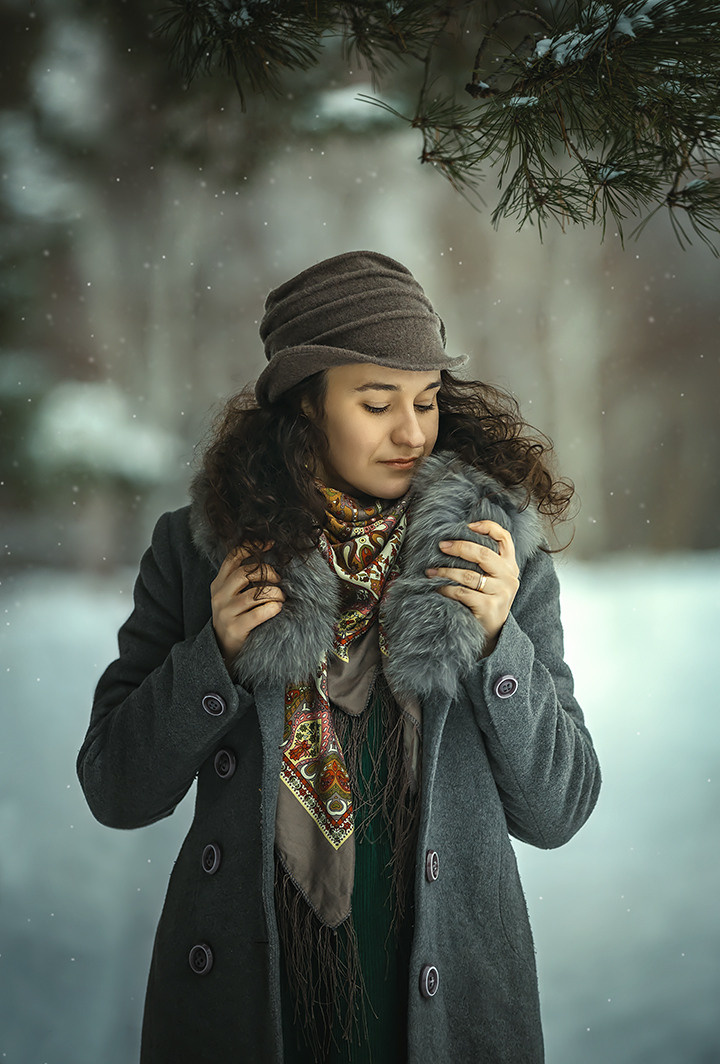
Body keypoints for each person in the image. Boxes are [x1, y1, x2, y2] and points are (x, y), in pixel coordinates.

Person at [77, 250, 601, 1064]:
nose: (412, 432)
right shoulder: (199, 551)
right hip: (255, 999)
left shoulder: (493, 557)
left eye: (426, 400)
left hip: (446, 993)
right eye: (376, 402)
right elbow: (116, 788)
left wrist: (502, 643)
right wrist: (214, 657)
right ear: (306, 404)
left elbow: (559, 809)